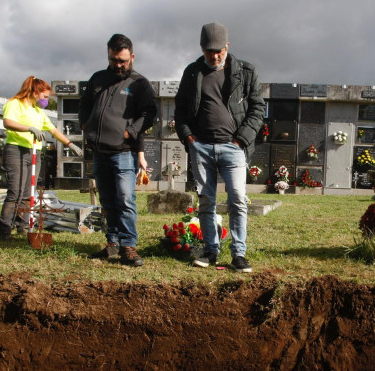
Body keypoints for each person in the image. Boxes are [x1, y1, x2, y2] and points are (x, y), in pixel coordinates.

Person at [174, 23, 265, 273]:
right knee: (206, 201)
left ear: (228, 46)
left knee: (237, 198)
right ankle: (210, 251)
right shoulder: (192, 72)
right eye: (209, 51)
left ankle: (239, 254)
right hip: (200, 147)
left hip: (233, 148)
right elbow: (180, 108)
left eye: (219, 51)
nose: (214, 56)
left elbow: (258, 109)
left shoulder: (246, 72)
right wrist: (188, 138)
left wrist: (241, 139)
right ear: (201, 48)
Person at [79, 33, 158, 266]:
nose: (119, 65)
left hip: (124, 152)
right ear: (108, 55)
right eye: (115, 60)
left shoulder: (139, 83)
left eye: (123, 60)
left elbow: (149, 114)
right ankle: (112, 244)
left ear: (132, 56)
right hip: (99, 151)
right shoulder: (98, 79)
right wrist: (86, 126)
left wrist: (129, 133)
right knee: (108, 200)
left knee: (125, 199)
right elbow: (85, 105)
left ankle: (129, 246)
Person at [0, 76, 81, 239]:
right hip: (16, 151)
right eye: (44, 97)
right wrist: (29, 128)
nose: (46, 100)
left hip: (33, 152)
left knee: (29, 193)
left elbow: (53, 131)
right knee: (15, 192)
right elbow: (8, 122)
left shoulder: (38, 112)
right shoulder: (14, 104)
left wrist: (70, 144)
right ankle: (4, 229)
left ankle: (22, 226)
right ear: (35, 92)